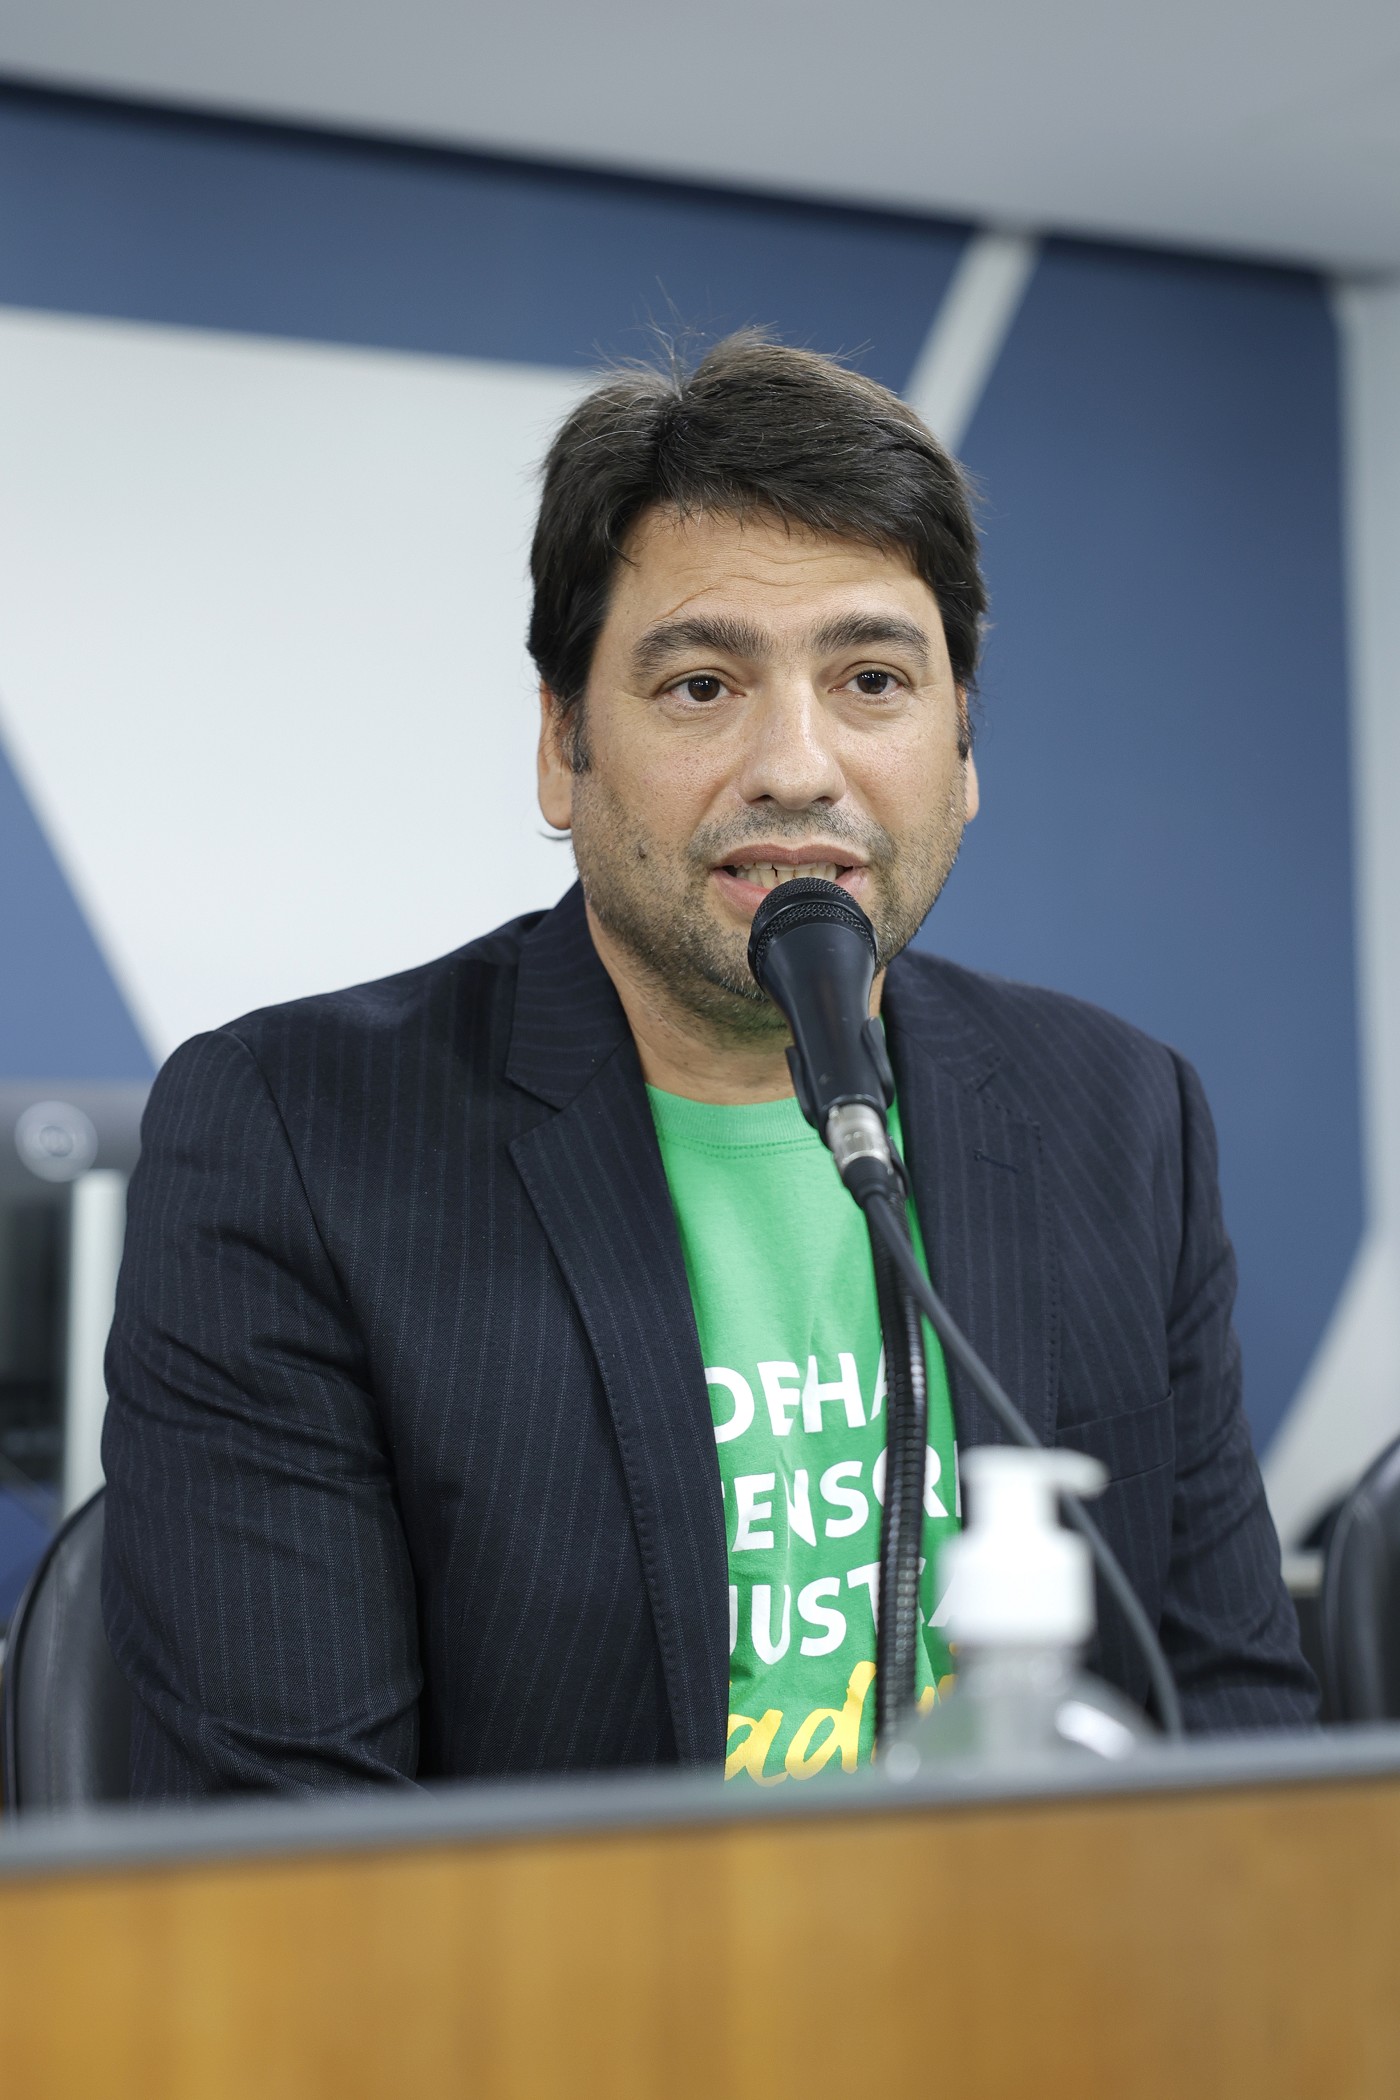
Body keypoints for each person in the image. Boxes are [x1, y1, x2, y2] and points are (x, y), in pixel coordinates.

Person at [102, 335, 1316, 1797]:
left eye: (873, 679)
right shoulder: (296, 1140)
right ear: (563, 745)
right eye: (699, 686)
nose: (796, 766)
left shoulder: (1118, 1116)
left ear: (964, 750)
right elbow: (290, 1839)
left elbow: (1235, 1732)